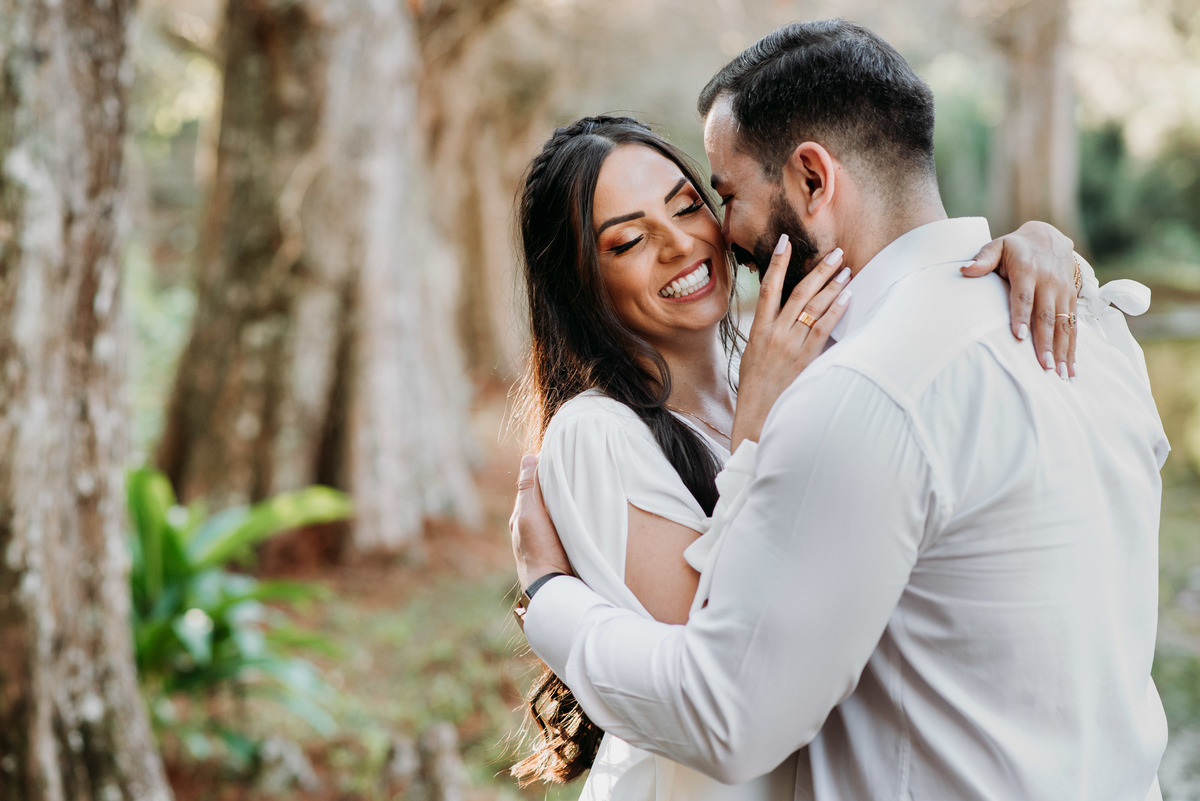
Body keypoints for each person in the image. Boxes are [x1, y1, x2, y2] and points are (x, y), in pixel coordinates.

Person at [511, 20, 1169, 801]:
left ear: (813, 180)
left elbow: (732, 695)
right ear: (583, 280)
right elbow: (724, 672)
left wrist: (551, 601)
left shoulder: (858, 382)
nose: (699, 239)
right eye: (626, 242)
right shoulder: (1088, 329)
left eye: (706, 201)